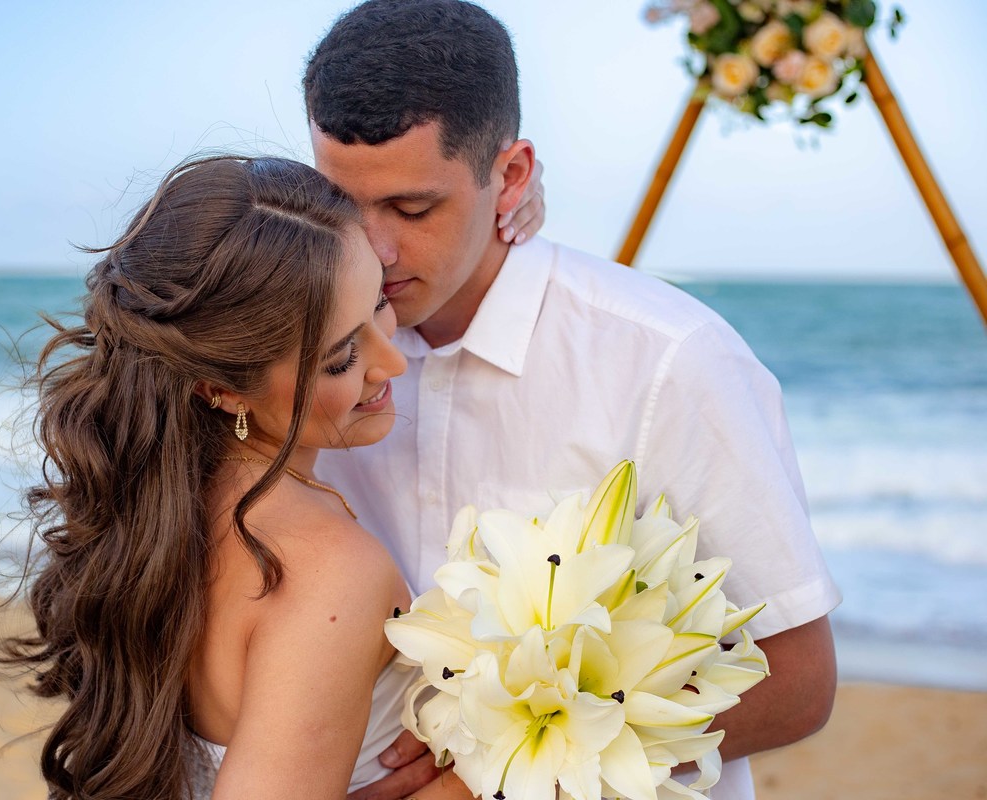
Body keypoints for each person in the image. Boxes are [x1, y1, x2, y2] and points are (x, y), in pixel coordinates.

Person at [305, 2, 842, 799]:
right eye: (341, 203)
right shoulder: (301, 354)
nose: (374, 249)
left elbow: (798, 682)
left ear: (512, 176)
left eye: (413, 209)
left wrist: (492, 775)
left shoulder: (667, 361)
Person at [0, 155, 474, 800]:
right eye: (340, 358)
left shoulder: (159, 518)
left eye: (380, 303)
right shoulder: (330, 572)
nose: (392, 361)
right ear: (222, 388)